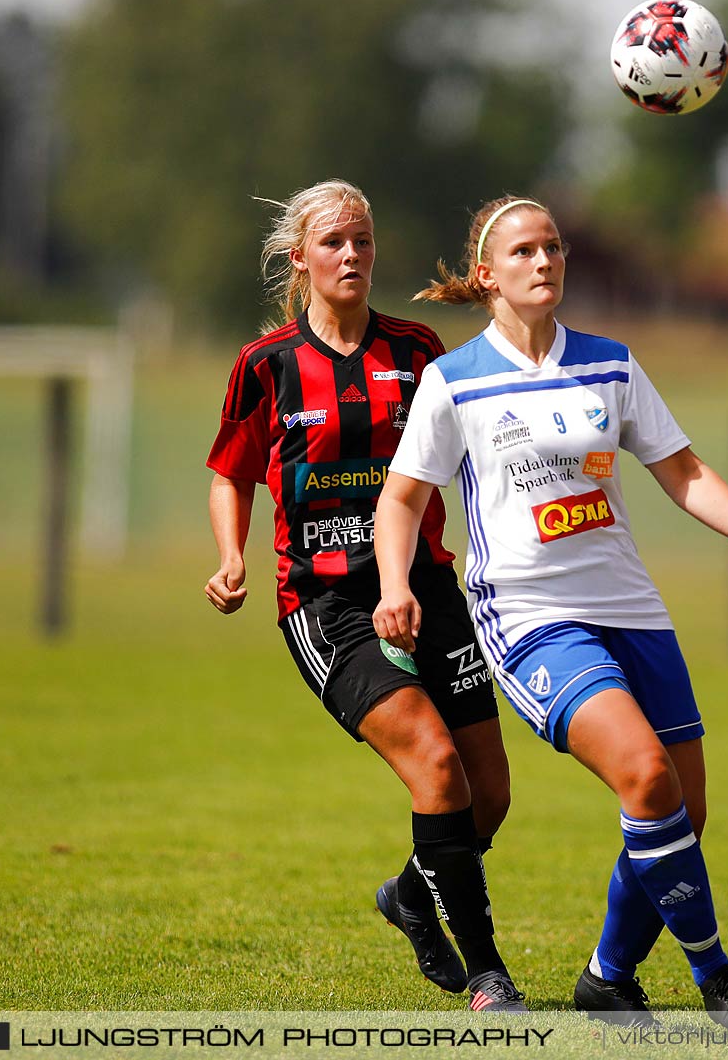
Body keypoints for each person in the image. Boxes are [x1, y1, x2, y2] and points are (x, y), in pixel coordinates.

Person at [371, 196, 728, 1029]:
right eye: (526, 251)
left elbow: (682, 472)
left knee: (684, 804)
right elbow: (400, 502)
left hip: (633, 609)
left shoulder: (611, 364)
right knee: (645, 776)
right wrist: (395, 585)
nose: (545, 262)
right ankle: (716, 976)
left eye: (555, 248)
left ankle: (608, 978)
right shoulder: (454, 381)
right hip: (531, 615)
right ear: (486, 275)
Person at [204, 179, 526, 1013]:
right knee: (438, 765)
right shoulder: (266, 365)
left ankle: (413, 897)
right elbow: (230, 474)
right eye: (335, 243)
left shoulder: (417, 352)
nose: (352, 256)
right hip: (328, 607)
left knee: (488, 794)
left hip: (427, 589)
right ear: (299, 257)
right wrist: (230, 557)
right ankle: (489, 973)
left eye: (364, 242)